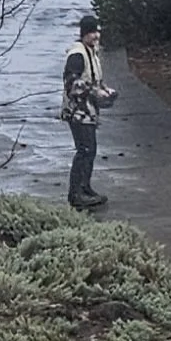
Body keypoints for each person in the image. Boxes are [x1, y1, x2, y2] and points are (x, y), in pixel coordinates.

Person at [61, 13, 117, 210]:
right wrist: (95, 92)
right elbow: (71, 82)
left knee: (89, 150)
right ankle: (76, 194)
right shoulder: (77, 54)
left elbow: (93, 79)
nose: (96, 35)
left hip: (88, 111)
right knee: (85, 150)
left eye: (97, 31)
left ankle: (85, 187)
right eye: (92, 32)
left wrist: (105, 90)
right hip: (77, 112)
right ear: (84, 33)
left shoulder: (91, 51)